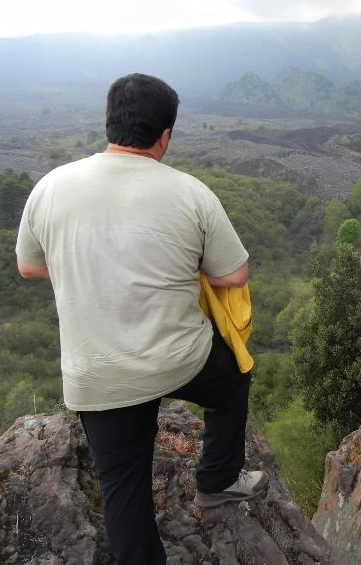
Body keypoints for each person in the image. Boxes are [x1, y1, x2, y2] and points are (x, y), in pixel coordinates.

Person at [15, 73, 268, 564]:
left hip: (97, 374)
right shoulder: (189, 192)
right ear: (165, 135)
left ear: (110, 123)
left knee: (124, 493)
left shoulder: (50, 186)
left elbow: (28, 265)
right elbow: (235, 275)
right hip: (180, 359)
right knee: (235, 376)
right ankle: (217, 482)